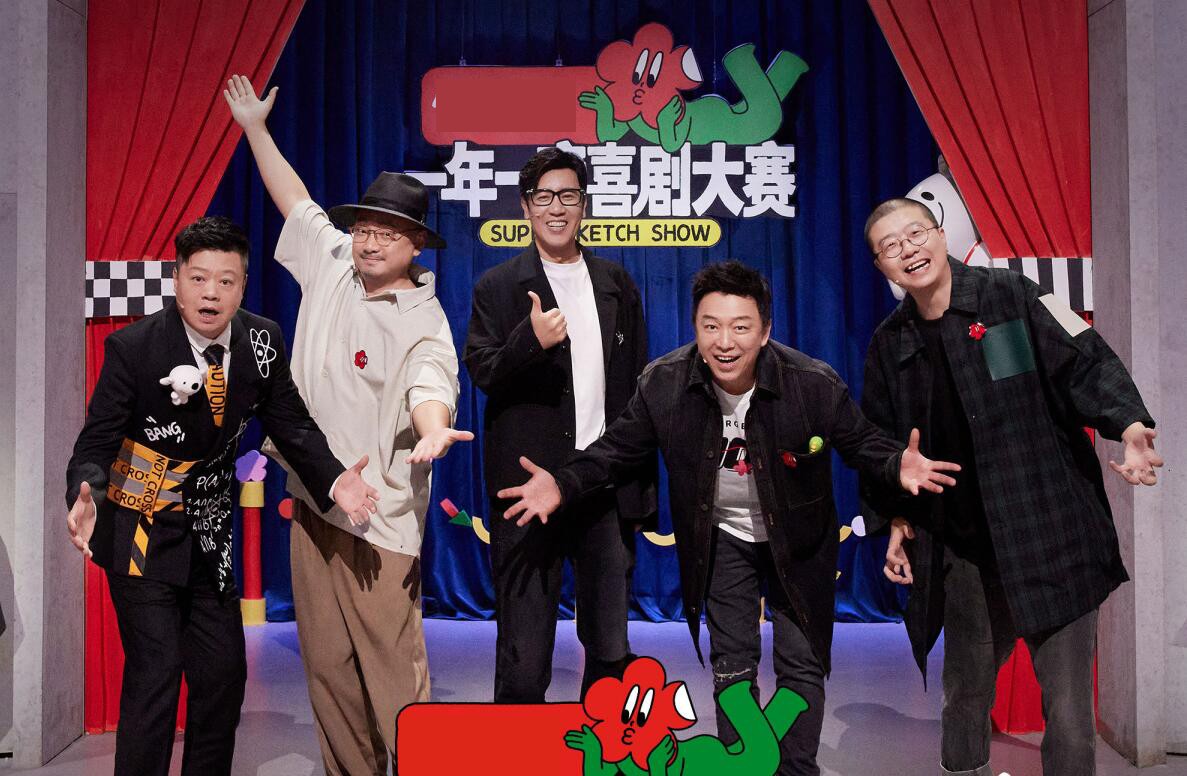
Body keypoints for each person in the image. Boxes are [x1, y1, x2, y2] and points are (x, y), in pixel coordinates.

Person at [498, 260, 960, 775]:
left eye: (740, 327)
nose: (725, 342)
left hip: (799, 542)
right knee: (733, 664)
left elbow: (862, 443)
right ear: (695, 327)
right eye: (711, 326)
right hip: (721, 538)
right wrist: (562, 483)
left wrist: (897, 464)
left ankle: (795, 770)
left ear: (765, 331)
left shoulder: (811, 384)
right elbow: (615, 451)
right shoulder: (664, 384)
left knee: (802, 664)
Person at [860, 197, 1163, 776]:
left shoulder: (1010, 297)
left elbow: (1085, 361)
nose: (908, 250)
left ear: (940, 234)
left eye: (916, 234)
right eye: (890, 247)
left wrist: (1128, 426)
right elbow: (880, 439)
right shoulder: (890, 343)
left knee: (1068, 710)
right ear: (882, 266)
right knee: (965, 691)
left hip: (1049, 530)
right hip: (964, 546)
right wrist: (896, 517)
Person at [65, 216, 378, 776]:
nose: (211, 293)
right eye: (199, 278)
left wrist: (335, 480)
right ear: (178, 280)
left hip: (211, 534)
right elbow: (97, 441)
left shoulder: (262, 340)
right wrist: (87, 493)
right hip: (139, 526)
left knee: (223, 677)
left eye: (226, 281)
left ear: (242, 286)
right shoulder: (134, 348)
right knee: (156, 672)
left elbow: (292, 425)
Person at [224, 74, 469, 775]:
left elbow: (431, 385)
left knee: (393, 675)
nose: (369, 241)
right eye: (364, 227)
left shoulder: (424, 321)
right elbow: (295, 200)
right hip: (314, 499)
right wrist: (255, 129)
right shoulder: (335, 263)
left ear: (415, 245)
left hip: (378, 522)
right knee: (327, 670)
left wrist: (432, 428)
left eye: (387, 233)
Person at [463, 147, 656, 702]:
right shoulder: (499, 286)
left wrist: (638, 488)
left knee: (610, 648)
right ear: (526, 207)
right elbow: (482, 371)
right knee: (523, 659)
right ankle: (520, 745)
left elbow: (637, 387)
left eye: (568, 195)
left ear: (584, 205)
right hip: (527, 491)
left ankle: (603, 744)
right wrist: (531, 341)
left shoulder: (616, 282)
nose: (556, 208)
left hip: (601, 486)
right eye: (544, 196)